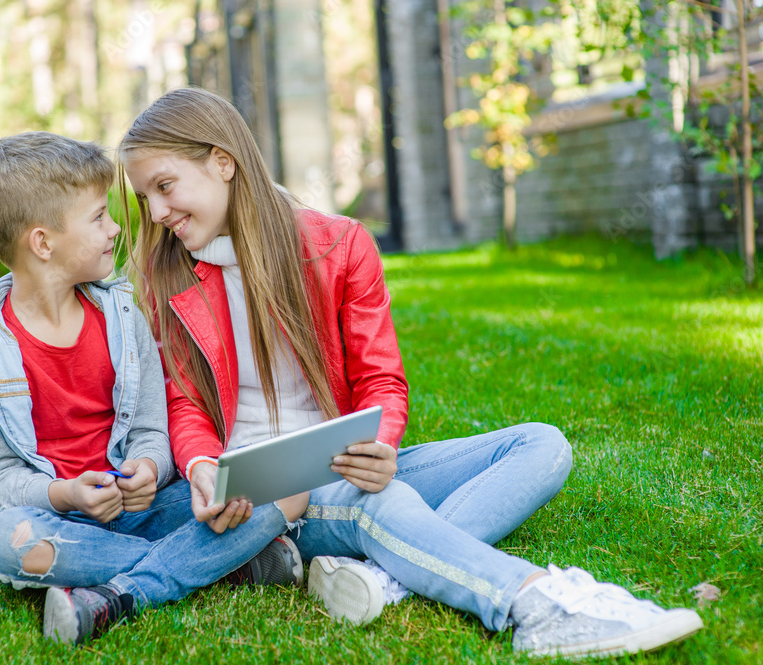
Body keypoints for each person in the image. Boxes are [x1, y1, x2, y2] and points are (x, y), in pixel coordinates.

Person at [117, 88, 704, 659]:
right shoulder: (167, 275)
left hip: (338, 462)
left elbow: (382, 382)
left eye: (164, 187)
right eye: (146, 198)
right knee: (380, 504)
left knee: (541, 445)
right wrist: (201, 466)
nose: (157, 213)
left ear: (223, 162)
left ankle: (385, 576)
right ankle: (534, 605)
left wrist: (380, 442)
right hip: (269, 495)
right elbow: (184, 402)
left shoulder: (340, 247)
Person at [0, 131, 308, 647]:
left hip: (148, 508)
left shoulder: (120, 316)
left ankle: (123, 590)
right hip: (60, 522)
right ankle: (217, 565)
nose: (116, 227)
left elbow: (149, 430)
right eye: (98, 217)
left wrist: (149, 467)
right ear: (43, 243)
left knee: (284, 488)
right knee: (12, 544)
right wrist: (64, 494)